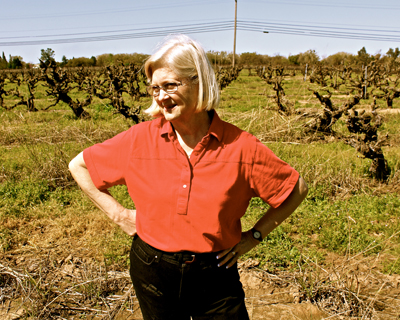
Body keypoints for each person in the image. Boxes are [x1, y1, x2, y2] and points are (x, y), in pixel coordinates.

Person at [68, 34, 308, 320]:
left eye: (170, 85)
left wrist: (254, 236)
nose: (161, 96)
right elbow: (78, 166)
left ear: (200, 81)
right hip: (152, 268)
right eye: (155, 88)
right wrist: (119, 214)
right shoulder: (140, 139)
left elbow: (296, 189)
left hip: (216, 274)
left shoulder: (241, 146)